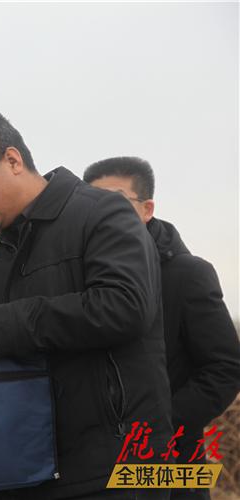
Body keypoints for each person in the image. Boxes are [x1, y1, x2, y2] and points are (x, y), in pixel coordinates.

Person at [0, 108, 172, 499]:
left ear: (13, 160)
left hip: (120, 464)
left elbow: (125, 306)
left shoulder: (102, 213)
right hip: (33, 467)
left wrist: (1, 327)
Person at [84, 156, 240, 500]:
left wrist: (160, 424)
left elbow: (225, 368)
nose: (103, 216)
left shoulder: (188, 274)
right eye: (94, 205)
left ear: (147, 209)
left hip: (173, 457)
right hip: (96, 461)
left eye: (117, 204)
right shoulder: (83, 276)